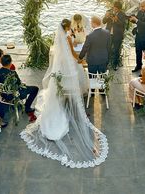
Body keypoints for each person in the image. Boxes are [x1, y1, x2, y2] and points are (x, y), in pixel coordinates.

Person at [20, 19, 108, 168]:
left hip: (61, 65)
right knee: (76, 79)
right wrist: (79, 60)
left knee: (63, 85)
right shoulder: (67, 36)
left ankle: (63, 99)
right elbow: (72, 52)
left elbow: (65, 50)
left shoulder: (62, 37)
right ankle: (73, 100)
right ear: (67, 27)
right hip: (69, 64)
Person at [0, 54, 38, 122]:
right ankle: (27, 107)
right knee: (35, 89)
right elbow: (19, 84)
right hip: (12, 95)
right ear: (10, 63)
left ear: (1, 62)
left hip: (2, 94)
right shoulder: (12, 73)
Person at [130, 0, 145, 73]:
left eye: (142, 6)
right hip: (138, 35)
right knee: (138, 52)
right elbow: (137, 21)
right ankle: (138, 66)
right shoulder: (140, 11)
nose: (141, 8)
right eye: (140, 6)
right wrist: (132, 19)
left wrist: (136, 20)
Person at [102, 2, 127, 69]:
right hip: (109, 34)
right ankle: (107, 63)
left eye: (116, 9)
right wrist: (106, 16)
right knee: (108, 49)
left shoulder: (122, 15)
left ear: (119, 9)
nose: (114, 10)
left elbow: (123, 25)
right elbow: (103, 22)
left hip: (117, 35)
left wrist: (116, 20)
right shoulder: (109, 12)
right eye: (114, 8)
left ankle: (115, 64)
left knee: (116, 50)